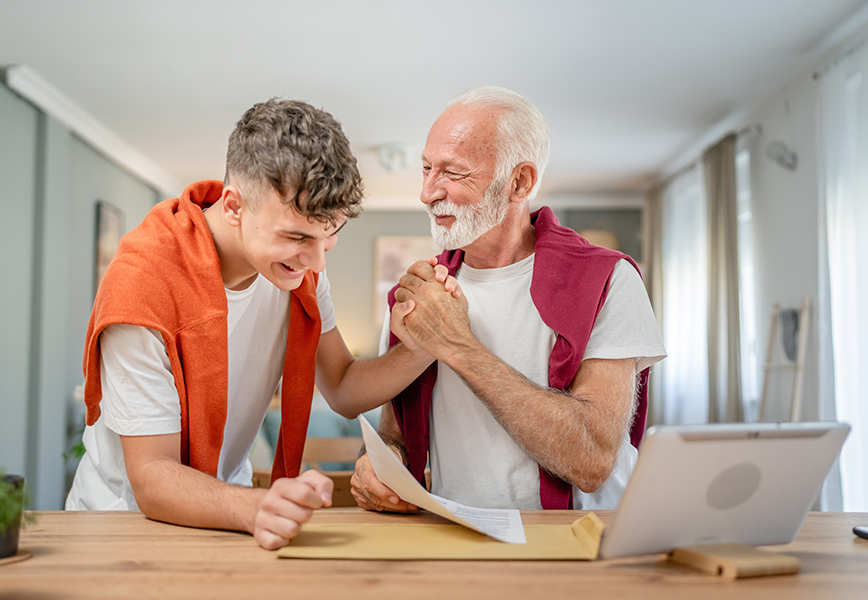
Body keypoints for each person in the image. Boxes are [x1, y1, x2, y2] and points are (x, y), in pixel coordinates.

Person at [65, 98, 440, 550]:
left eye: (330, 235)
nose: (316, 260)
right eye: (297, 237)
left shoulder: (298, 268)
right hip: (123, 527)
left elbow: (341, 385)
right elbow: (151, 476)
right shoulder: (143, 287)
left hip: (225, 513)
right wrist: (256, 506)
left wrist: (424, 346)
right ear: (234, 206)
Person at [350, 87, 666, 512]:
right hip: (460, 542)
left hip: (581, 549)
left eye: (453, 173)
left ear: (520, 182)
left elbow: (593, 460)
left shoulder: (608, 279)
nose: (427, 193)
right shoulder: (419, 290)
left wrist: (460, 348)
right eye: (426, 168)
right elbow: (396, 432)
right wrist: (380, 465)